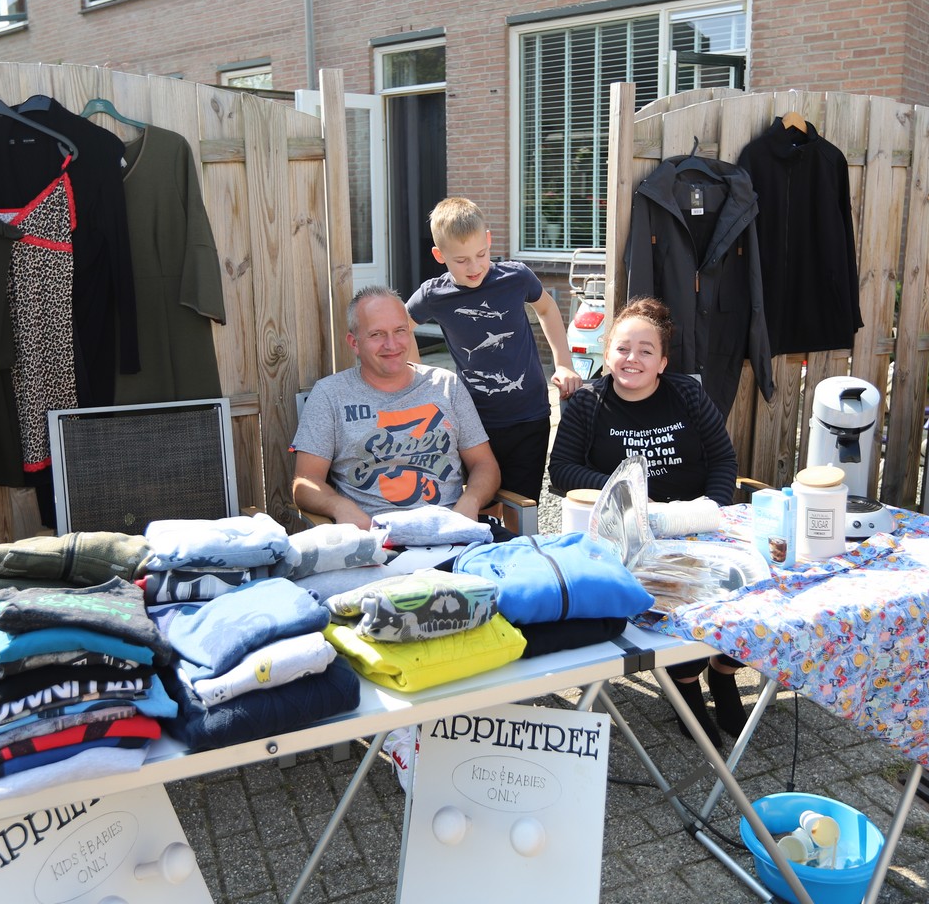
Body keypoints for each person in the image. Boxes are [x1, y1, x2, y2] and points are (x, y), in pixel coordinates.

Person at [548, 296, 747, 748]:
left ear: (662, 362)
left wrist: (710, 512)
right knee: (669, 595)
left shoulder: (687, 394)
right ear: (607, 353)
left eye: (645, 350)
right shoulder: (587, 403)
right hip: (629, 532)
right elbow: (561, 470)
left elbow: (723, 459)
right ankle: (685, 683)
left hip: (695, 522)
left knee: (747, 585)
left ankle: (723, 670)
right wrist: (631, 495)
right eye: (622, 348)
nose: (632, 358)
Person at [405, 197, 581, 499]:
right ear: (439, 255)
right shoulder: (433, 295)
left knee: (523, 502)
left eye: (481, 254)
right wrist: (420, 381)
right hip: (472, 420)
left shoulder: (516, 277)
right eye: (461, 260)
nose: (474, 267)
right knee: (479, 500)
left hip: (530, 413)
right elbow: (402, 326)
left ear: (488, 240)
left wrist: (564, 363)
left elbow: (547, 309)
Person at [291, 286, 502, 531]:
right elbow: (306, 482)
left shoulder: (447, 386)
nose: (391, 345)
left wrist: (471, 501)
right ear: (354, 343)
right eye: (377, 334)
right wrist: (339, 507)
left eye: (400, 331)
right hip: (374, 537)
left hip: (452, 530)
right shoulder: (330, 395)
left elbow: (484, 465)